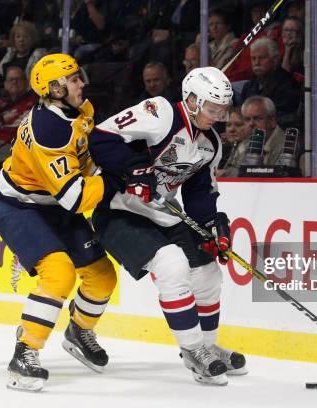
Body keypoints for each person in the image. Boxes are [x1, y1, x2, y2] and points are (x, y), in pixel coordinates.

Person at [89, 66, 247, 386]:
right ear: (191, 99)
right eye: (212, 108)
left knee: (207, 273)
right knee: (172, 265)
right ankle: (192, 351)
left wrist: (212, 225)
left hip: (163, 213)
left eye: (223, 110)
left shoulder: (210, 143)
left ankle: (207, 344)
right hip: (120, 210)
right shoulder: (160, 112)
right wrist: (134, 169)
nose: (219, 116)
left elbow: (199, 193)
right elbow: (102, 137)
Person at [0, 54, 119, 392]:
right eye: (74, 79)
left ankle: (79, 331)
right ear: (54, 89)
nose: (82, 83)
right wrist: (119, 180)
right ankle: (25, 352)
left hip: (55, 204)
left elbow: (86, 159)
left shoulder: (81, 110)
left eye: (79, 76)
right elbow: (75, 198)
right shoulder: (48, 129)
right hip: (20, 207)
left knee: (104, 277)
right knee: (60, 272)